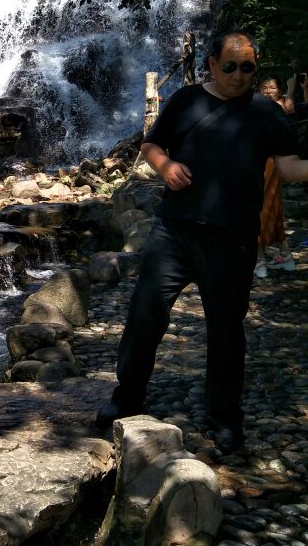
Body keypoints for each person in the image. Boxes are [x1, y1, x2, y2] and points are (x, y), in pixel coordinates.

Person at [97, 29, 308, 454]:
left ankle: (225, 419)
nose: (237, 75)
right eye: (229, 66)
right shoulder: (186, 100)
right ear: (211, 63)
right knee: (145, 315)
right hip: (174, 230)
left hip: (233, 237)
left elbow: (288, 168)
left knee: (227, 331)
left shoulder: (266, 112)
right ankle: (127, 396)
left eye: (247, 67)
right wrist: (166, 166)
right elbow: (152, 144)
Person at [255, 76, 295, 278]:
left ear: (278, 91)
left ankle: (259, 259)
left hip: (270, 162)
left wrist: (291, 88)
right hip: (268, 162)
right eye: (265, 87)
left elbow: (290, 107)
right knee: (274, 207)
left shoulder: (279, 105)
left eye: (272, 87)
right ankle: (285, 255)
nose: (268, 90)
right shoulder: (259, 106)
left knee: (258, 207)